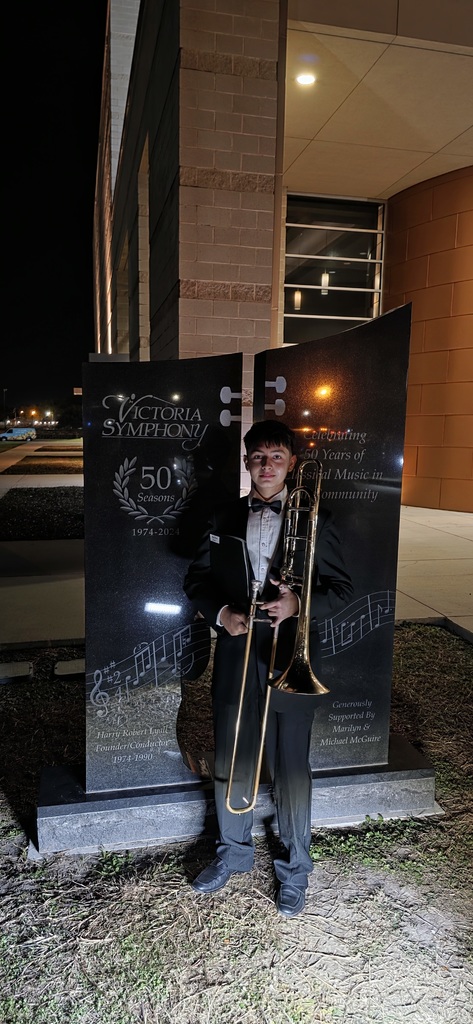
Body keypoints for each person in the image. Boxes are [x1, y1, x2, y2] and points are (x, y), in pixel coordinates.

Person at [184, 419, 352, 917]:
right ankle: (233, 852)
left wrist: (298, 604)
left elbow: (342, 590)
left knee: (292, 765)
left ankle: (296, 868)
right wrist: (222, 614)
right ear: (246, 462)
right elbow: (196, 580)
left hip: (292, 652)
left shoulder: (319, 520)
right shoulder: (222, 516)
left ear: (292, 463)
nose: (266, 465)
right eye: (258, 456)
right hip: (238, 649)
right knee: (231, 752)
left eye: (277, 456)